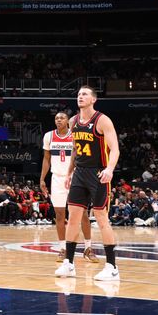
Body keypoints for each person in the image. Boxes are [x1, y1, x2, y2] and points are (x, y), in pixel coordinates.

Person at [55, 86, 121, 281]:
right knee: (73, 217)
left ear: (93, 99)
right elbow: (75, 151)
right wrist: (69, 173)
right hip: (80, 174)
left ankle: (112, 266)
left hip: (99, 173)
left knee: (101, 217)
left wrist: (109, 169)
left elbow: (115, 149)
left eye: (84, 94)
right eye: (78, 94)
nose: (80, 97)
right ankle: (69, 263)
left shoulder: (102, 120)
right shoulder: (74, 121)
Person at [40, 112, 97, 262]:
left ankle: (88, 248)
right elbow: (46, 159)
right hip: (57, 178)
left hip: (75, 178)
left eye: (62, 118)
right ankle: (63, 249)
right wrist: (42, 179)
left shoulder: (75, 134)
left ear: (68, 121)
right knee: (59, 215)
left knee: (83, 213)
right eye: (56, 118)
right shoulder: (49, 136)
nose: (59, 120)